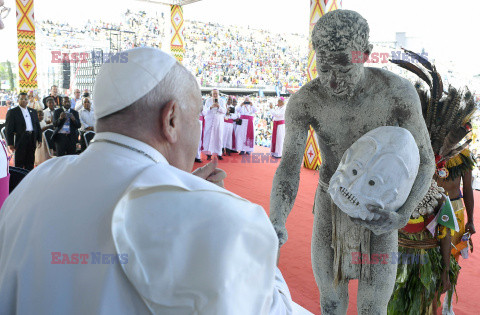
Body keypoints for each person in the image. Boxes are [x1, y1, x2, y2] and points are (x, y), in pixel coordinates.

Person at [0, 47, 294, 314]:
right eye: (196, 118)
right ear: (171, 120)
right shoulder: (225, 217)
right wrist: (207, 201)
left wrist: (190, 193)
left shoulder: (34, 181)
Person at [269, 10, 435, 314]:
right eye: (324, 66)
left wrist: (402, 215)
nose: (332, 81)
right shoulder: (305, 101)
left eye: (344, 66)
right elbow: (290, 165)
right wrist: (277, 218)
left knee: (373, 309)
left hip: (380, 212)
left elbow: (426, 162)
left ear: (365, 54)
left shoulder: (397, 93)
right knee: (331, 304)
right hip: (329, 203)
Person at [5, 92, 42, 170]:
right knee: (19, 161)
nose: (24, 100)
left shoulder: (33, 111)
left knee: (30, 160)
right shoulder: (13, 112)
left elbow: (37, 126)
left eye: (25, 99)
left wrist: (39, 139)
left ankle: (29, 178)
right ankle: (19, 179)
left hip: (32, 138)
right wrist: (10, 143)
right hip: (20, 138)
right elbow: (9, 128)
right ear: (18, 100)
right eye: (21, 99)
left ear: (28, 100)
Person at [202, 89, 226, 160]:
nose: (215, 95)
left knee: (219, 137)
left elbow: (224, 111)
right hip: (209, 120)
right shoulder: (208, 101)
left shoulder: (222, 101)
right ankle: (208, 154)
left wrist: (219, 107)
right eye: (214, 94)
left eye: (216, 94)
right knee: (209, 137)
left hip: (219, 121)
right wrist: (211, 107)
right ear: (211, 94)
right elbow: (204, 112)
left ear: (218, 94)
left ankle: (219, 153)